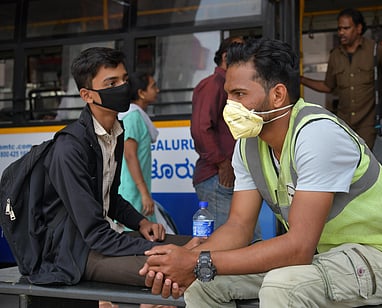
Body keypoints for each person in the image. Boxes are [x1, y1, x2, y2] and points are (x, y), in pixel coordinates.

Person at [139, 38, 382, 307]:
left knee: (282, 285)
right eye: (227, 95)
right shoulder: (249, 145)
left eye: (239, 94)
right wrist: (183, 260)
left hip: (378, 260)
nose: (229, 106)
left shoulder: (317, 134)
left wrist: (197, 261)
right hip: (319, 259)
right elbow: (238, 226)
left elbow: (298, 247)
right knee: (204, 284)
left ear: (277, 95)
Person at [32, 47, 191, 287]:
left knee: (199, 246)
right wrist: (160, 248)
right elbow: (95, 233)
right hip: (75, 254)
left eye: (124, 80)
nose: (122, 87)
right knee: (178, 266)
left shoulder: (115, 132)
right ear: (87, 95)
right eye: (112, 83)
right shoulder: (70, 148)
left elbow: (110, 199)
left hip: (104, 241)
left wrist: (141, 223)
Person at [190, 36, 261, 240]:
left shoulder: (228, 84)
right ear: (225, 56)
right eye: (240, 49)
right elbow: (201, 129)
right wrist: (223, 164)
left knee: (247, 238)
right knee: (227, 242)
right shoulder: (213, 84)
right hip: (218, 176)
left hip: (230, 174)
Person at [300, 8, 382, 149]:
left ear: (358, 28)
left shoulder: (375, 50)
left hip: (368, 122)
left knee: (362, 161)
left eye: (346, 28)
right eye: (339, 28)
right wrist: (301, 79)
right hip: (343, 122)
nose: (341, 32)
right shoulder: (335, 55)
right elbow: (328, 86)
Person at [118, 72, 160, 230]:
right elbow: (129, 155)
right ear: (141, 93)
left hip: (135, 191)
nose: (157, 90)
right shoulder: (133, 116)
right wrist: (144, 193)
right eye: (153, 86)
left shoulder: (135, 115)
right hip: (132, 193)